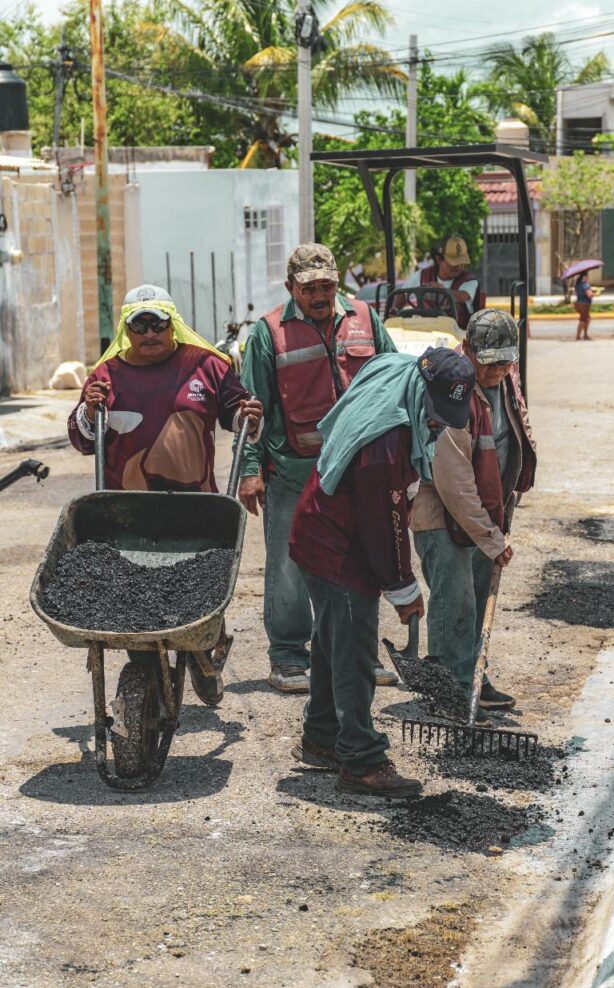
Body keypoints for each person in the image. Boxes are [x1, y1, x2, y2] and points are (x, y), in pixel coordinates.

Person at [289, 347, 476, 797]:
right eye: (434, 416)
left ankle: (321, 737)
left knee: (332, 641)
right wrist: (404, 589)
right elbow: (385, 527)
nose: (435, 425)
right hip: (337, 544)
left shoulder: (398, 369)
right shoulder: (387, 444)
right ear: (422, 388)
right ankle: (360, 759)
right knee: (354, 653)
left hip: (319, 526)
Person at [68, 283, 263, 706]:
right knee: (136, 607)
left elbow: (236, 414)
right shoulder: (105, 376)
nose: (150, 333)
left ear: (172, 325)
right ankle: (147, 675)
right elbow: (83, 441)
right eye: (140, 324)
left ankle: (202, 652)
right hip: (128, 516)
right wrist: (88, 411)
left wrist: (248, 414)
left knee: (198, 607)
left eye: (159, 323)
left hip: (196, 512)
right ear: (127, 329)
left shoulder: (208, 366)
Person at [238, 243, 398, 694]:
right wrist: (251, 470)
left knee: (360, 561)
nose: (321, 295)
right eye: (310, 288)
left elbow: (394, 381)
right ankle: (289, 657)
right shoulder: (268, 333)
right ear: (291, 288)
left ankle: (359, 656)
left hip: (358, 468)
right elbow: (255, 410)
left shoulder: (365, 319)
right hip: (293, 472)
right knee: (289, 565)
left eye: (327, 285)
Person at [411, 309, 537, 713]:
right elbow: (454, 482)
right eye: (490, 362)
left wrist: (501, 511)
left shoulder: (507, 378)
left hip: (486, 512)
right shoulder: (454, 386)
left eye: (505, 361)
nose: (499, 369)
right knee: (456, 600)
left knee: (480, 598)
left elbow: (515, 433)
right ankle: (449, 691)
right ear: (468, 351)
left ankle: (472, 677)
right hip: (442, 511)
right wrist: (489, 536)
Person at [402, 234, 481, 330]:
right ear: (439, 259)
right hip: (425, 332)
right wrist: (394, 312)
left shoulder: (470, 280)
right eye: (454, 263)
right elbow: (402, 294)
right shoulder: (421, 275)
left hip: (458, 335)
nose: (459, 267)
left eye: (462, 263)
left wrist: (441, 291)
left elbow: (462, 296)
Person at [574, 271, 594, 340]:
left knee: (587, 319)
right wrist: (595, 294)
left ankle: (585, 334)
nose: (588, 278)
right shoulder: (585, 285)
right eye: (587, 276)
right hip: (584, 304)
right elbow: (589, 294)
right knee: (582, 320)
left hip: (578, 303)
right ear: (585, 277)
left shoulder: (578, 284)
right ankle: (578, 335)